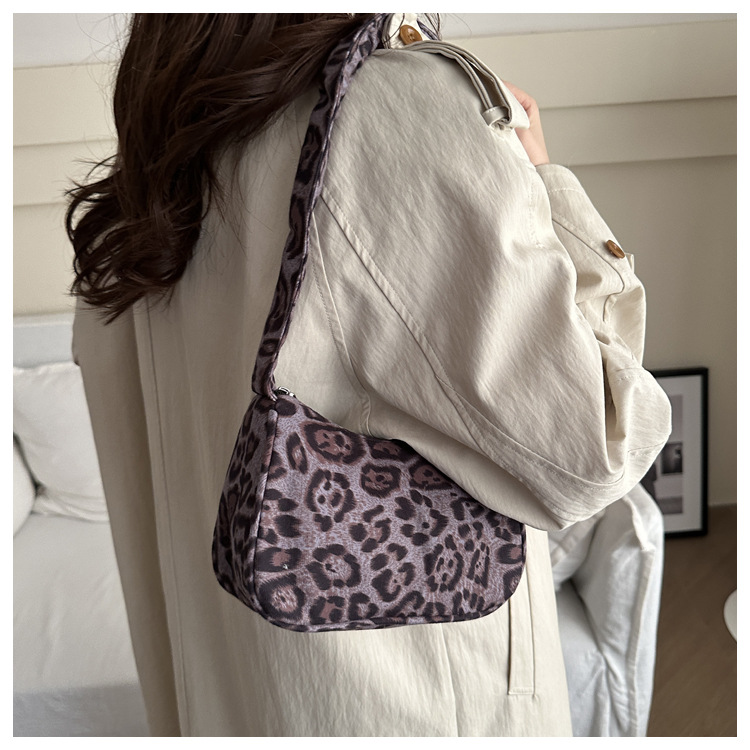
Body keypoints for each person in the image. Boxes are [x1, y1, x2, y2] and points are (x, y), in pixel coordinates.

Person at [68, 13, 671, 737]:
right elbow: (599, 445)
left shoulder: (153, 168)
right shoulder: (389, 110)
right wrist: (548, 189)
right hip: (418, 716)